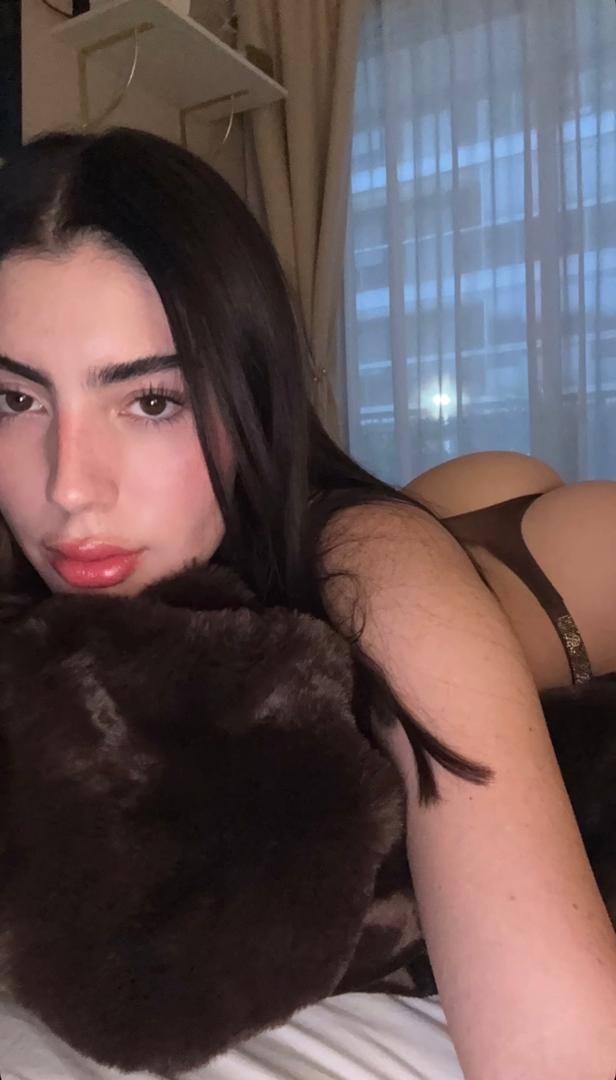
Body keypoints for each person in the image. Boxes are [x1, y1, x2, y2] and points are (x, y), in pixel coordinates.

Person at [0, 127, 614, 1080]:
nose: (69, 487)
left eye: (152, 402)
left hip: (553, 576)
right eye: (16, 400)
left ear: (250, 388)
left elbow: (562, 1047)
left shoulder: (378, 565)